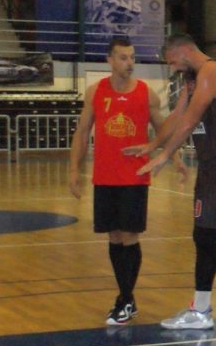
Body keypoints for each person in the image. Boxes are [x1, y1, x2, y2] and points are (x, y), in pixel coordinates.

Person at [124, 34, 216, 331]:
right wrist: (153, 145)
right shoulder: (192, 79)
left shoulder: (211, 71)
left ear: (185, 50)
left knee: (205, 236)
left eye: (173, 61)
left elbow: (190, 119)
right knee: (204, 236)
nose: (173, 67)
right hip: (210, 165)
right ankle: (201, 310)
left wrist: (165, 155)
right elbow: (177, 116)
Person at [69, 36, 177, 326]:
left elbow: (164, 129)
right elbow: (82, 132)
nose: (130, 63)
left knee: (130, 236)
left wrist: (171, 156)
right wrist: (73, 170)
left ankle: (126, 299)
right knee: (114, 236)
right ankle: (126, 298)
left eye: (132, 57)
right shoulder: (95, 92)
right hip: (105, 176)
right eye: (123, 57)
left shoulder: (146, 94)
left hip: (134, 176)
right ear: (110, 60)